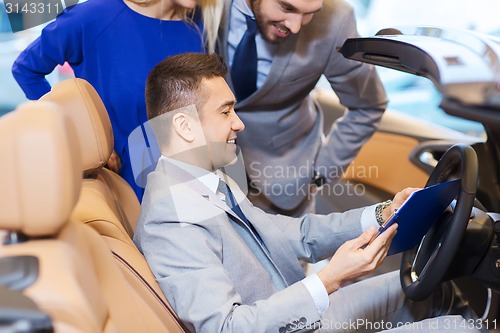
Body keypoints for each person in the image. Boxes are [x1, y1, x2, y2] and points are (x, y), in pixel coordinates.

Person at [134, 53, 484, 333]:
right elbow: (227, 327)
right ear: (184, 126)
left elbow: (293, 234)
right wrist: (330, 279)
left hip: (297, 312)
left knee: (432, 286)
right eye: (226, 111)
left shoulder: (205, 178)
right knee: (456, 327)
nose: (239, 123)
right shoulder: (170, 218)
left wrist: (382, 213)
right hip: (291, 321)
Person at [11, 0, 222, 201]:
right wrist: (84, 136)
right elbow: (27, 69)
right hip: (125, 178)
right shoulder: (94, 16)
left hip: (196, 176)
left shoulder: (203, 25)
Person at [218, 0, 388, 215]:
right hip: (206, 176)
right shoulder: (203, 6)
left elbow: (368, 105)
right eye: (286, 7)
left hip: (287, 184)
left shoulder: (336, 19)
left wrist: (320, 173)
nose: (296, 27)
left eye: (310, 14)